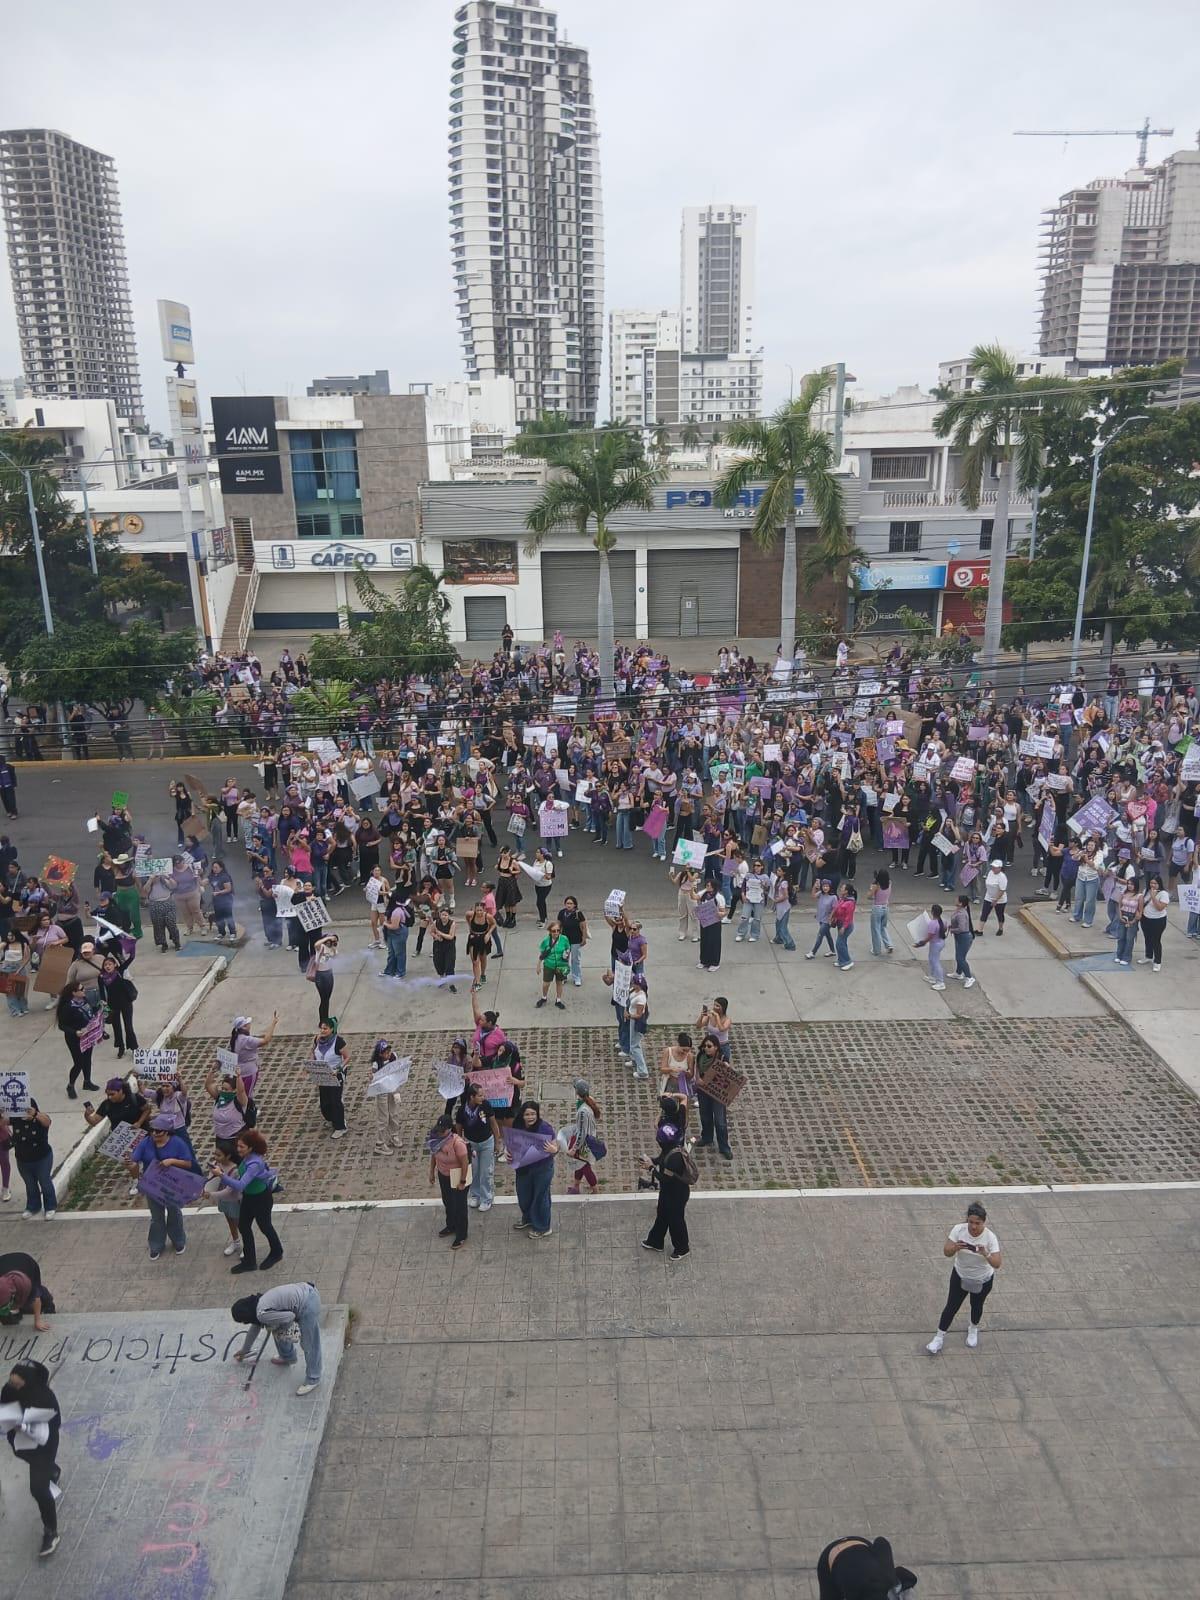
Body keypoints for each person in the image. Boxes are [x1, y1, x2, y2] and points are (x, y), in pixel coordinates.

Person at [2, 1358, 64, 1557]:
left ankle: (51, 1532)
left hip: (43, 1446)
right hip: (23, 1444)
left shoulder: (45, 1399)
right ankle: (52, 1471)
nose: (13, 1387)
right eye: (12, 1382)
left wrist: (24, 1426)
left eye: (18, 1384)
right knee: (38, 1468)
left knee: (38, 1488)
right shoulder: (9, 1390)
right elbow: (5, 1407)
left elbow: (46, 1432)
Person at [926, 1200, 1002, 1354]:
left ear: (984, 1222)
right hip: (960, 1276)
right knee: (951, 1307)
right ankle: (939, 1338)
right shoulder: (958, 1230)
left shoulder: (990, 1237)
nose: (973, 1227)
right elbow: (946, 1252)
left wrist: (985, 1253)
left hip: (983, 1280)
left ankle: (973, 1329)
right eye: (971, 1222)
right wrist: (955, 1247)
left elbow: (997, 1263)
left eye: (977, 1223)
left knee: (977, 1305)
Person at [124, 1113, 196, 1259]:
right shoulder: (145, 1143)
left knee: (174, 1213)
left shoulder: (178, 1143)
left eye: (158, 1131)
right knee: (156, 1217)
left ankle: (178, 1240)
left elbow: (188, 1163)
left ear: (167, 1132)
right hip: (153, 1185)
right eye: (152, 1130)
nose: (154, 1133)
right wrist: (130, 1164)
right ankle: (156, 1245)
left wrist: (172, 1161)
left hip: (172, 1184)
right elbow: (134, 1162)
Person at [231, 1283, 324, 1395]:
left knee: (309, 1344)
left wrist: (281, 1329)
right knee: (274, 1327)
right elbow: (254, 1330)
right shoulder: (257, 1304)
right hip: (306, 1291)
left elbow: (290, 1317)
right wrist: (244, 1350)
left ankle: (313, 1378)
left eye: (243, 1321)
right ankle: (288, 1357)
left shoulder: (262, 1314)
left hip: (308, 1304)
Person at [214, 1128, 283, 1273]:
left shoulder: (255, 1163)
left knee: (265, 1226)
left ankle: (277, 1252)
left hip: (261, 1199)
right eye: (237, 1146)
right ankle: (250, 1261)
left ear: (250, 1148)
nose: (237, 1149)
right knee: (244, 1226)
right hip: (249, 1197)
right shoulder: (246, 1157)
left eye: (241, 1147)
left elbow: (240, 1185)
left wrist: (222, 1176)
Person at [640, 1108, 695, 1261]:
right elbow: (660, 1159)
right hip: (668, 1192)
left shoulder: (674, 1159)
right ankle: (655, 1241)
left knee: (675, 1220)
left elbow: (665, 1179)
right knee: (662, 1214)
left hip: (676, 1194)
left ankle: (682, 1248)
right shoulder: (670, 1150)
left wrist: (651, 1168)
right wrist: (651, 1161)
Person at [509, 1099, 558, 1238]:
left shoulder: (545, 1128)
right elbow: (512, 1144)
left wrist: (553, 1149)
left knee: (540, 1197)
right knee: (524, 1195)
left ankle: (543, 1227)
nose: (530, 1117)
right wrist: (509, 1151)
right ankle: (529, 1218)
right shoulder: (517, 1126)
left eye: (533, 1114)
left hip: (542, 1168)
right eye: (527, 1114)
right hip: (523, 1167)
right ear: (522, 1115)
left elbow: (555, 1148)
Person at [815, 1536, 917, 1600]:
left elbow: (881, 1541)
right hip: (829, 1559)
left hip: (858, 1544)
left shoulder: (887, 1577)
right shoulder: (887, 1578)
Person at [427, 1113, 470, 1249]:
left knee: (460, 1206)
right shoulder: (435, 1138)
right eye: (438, 1130)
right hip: (443, 1174)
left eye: (442, 1131)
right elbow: (434, 1155)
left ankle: (461, 1234)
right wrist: (432, 1171)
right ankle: (451, 1225)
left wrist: (462, 1181)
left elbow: (465, 1162)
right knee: (448, 1201)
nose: (440, 1133)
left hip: (457, 1175)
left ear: (449, 1129)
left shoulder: (458, 1144)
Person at [455, 1080, 496, 1212]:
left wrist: (498, 1141)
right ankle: (475, 1195)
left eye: (483, 1095)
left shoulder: (486, 1106)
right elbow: (459, 1127)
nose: (483, 1098)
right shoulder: (462, 1111)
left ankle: (486, 1198)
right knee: (474, 1171)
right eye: (480, 1095)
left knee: (485, 1172)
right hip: (471, 1144)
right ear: (472, 1097)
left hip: (486, 1143)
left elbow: (493, 1124)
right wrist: (460, 1142)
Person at [12, 1102, 56, 1220]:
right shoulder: (15, 1119)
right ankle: (33, 1207)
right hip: (22, 1159)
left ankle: (50, 1206)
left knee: (45, 1182)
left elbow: (47, 1121)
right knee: (30, 1185)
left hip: (42, 1158)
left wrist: (35, 1114)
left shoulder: (40, 1118)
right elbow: (3, 1122)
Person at [694, 1034, 733, 1160]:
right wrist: (698, 1079)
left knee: (720, 1121)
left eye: (709, 1046)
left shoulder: (722, 1057)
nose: (706, 1048)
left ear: (716, 1047)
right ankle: (707, 1137)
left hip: (717, 1093)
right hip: (703, 1091)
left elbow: (728, 1072)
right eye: (705, 1046)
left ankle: (724, 1147)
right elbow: (697, 1068)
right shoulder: (701, 1056)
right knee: (705, 1115)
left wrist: (727, 1067)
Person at [310, 1019, 350, 1137]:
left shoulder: (339, 1042)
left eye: (325, 1028)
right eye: (321, 1028)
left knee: (335, 1100)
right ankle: (332, 1119)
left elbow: (347, 1057)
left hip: (335, 1075)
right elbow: (313, 1051)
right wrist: (311, 1064)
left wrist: (338, 1069)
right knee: (325, 1102)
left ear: (332, 1029)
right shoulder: (317, 1039)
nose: (322, 1031)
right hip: (321, 1074)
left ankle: (340, 1126)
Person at [566, 1079, 603, 1195]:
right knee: (579, 1164)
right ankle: (576, 1186)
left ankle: (595, 1190)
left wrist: (574, 1148)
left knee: (585, 1167)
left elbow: (582, 1133)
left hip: (584, 1143)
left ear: (577, 1092)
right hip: (587, 1138)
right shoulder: (589, 1100)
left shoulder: (583, 1111)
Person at [98, 950, 138, 1057]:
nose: (107, 966)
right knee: (117, 1028)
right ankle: (121, 1047)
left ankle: (134, 1048)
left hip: (126, 1003)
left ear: (115, 965)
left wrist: (132, 952)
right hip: (112, 1005)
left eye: (110, 964)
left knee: (128, 1027)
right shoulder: (101, 977)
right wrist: (104, 1005)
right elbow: (102, 992)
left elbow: (128, 961)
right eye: (105, 965)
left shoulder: (119, 972)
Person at [228, 1012, 279, 1097]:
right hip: (249, 1072)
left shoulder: (235, 1038)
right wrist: (273, 1023)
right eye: (248, 1024)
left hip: (238, 1072)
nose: (250, 1025)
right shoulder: (246, 1040)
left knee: (241, 1094)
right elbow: (266, 1040)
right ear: (244, 1027)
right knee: (247, 1095)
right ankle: (249, 1110)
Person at [369, 1038, 405, 1153]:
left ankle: (394, 1135)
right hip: (382, 1092)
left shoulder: (394, 1057)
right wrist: (372, 1077)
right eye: (386, 1053)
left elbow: (398, 1071)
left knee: (394, 1114)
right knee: (383, 1118)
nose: (388, 1054)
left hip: (392, 1088)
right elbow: (374, 1077)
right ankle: (380, 1143)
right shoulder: (376, 1064)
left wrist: (396, 1091)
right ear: (380, 1054)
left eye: (389, 1052)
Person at [0, 1254, 53, 1331]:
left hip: (26, 1263)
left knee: (37, 1293)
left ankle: (48, 1305)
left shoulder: (26, 1283)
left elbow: (36, 1299)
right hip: (4, 1264)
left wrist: (37, 1321)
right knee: (6, 1317)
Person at [535, 919, 571, 1009]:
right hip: (549, 965)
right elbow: (542, 954)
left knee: (559, 983)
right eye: (553, 931)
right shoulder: (546, 941)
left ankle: (558, 1000)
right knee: (546, 984)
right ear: (550, 931)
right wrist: (538, 965)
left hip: (561, 965)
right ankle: (544, 998)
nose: (556, 932)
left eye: (558, 930)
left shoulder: (564, 939)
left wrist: (566, 962)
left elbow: (568, 949)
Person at [1138, 872, 1169, 971]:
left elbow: (1160, 908)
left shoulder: (1163, 894)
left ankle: (1157, 961)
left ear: (1159, 883)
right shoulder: (1145, 891)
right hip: (1146, 918)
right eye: (1151, 883)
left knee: (1156, 940)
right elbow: (1142, 903)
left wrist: (1153, 897)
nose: (1153, 885)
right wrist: (1140, 913)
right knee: (1147, 938)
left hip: (1158, 921)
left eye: (1155, 883)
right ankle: (1148, 956)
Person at [913, 903, 948, 992]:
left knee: (935, 961)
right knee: (932, 959)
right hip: (941, 942)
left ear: (932, 912)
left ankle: (941, 982)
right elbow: (945, 929)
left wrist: (921, 943)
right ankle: (932, 976)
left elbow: (930, 936)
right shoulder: (943, 921)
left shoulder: (932, 924)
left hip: (935, 944)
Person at [307, 931, 339, 1025]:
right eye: (330, 940)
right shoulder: (321, 947)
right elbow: (316, 944)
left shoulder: (332, 949)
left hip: (329, 974)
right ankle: (322, 1021)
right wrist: (327, 938)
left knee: (327, 999)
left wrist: (333, 946)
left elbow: (336, 957)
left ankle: (325, 1019)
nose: (331, 942)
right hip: (320, 975)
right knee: (323, 999)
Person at [558, 894, 588, 986]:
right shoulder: (562, 913)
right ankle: (564, 976)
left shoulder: (578, 914)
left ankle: (577, 977)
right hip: (564, 940)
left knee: (575, 959)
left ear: (575, 905)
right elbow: (558, 925)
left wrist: (584, 938)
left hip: (576, 940)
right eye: (567, 903)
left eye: (571, 903)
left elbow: (583, 927)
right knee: (564, 959)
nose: (569, 905)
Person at [948, 895, 977, 987]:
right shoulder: (959, 911)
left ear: (960, 903)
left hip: (963, 937)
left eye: (957, 899)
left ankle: (969, 977)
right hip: (960, 937)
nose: (955, 899)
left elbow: (962, 928)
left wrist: (952, 930)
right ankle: (958, 973)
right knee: (960, 956)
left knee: (960, 958)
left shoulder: (961, 914)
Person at [831, 882, 857, 970]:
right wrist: (834, 917)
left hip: (846, 926)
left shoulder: (850, 902)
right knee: (842, 942)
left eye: (843, 888)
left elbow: (848, 917)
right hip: (840, 923)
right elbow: (837, 908)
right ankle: (841, 960)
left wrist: (843, 927)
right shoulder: (842, 899)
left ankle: (848, 961)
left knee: (839, 943)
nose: (841, 889)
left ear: (846, 891)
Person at [980, 859, 1008, 936]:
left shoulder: (1002, 877)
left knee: (999, 914)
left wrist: (995, 899)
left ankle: (1000, 928)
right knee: (984, 913)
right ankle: (980, 930)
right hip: (988, 897)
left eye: (995, 867)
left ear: (1000, 868)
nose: (993, 868)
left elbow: (1002, 890)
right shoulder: (990, 873)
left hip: (1000, 900)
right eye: (992, 867)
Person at [869, 868, 893, 957]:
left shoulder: (876, 886)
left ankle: (876, 950)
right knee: (883, 927)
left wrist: (872, 888)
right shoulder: (890, 883)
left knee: (875, 929)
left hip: (877, 908)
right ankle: (888, 944)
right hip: (885, 907)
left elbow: (869, 896)